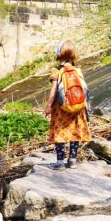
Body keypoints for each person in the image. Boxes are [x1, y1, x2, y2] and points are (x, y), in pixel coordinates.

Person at [45, 39, 91, 170]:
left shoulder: (56, 71)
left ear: (59, 53)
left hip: (61, 107)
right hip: (77, 107)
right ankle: (72, 161)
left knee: (59, 131)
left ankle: (60, 162)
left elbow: (54, 90)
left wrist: (48, 106)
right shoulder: (77, 70)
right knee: (75, 131)